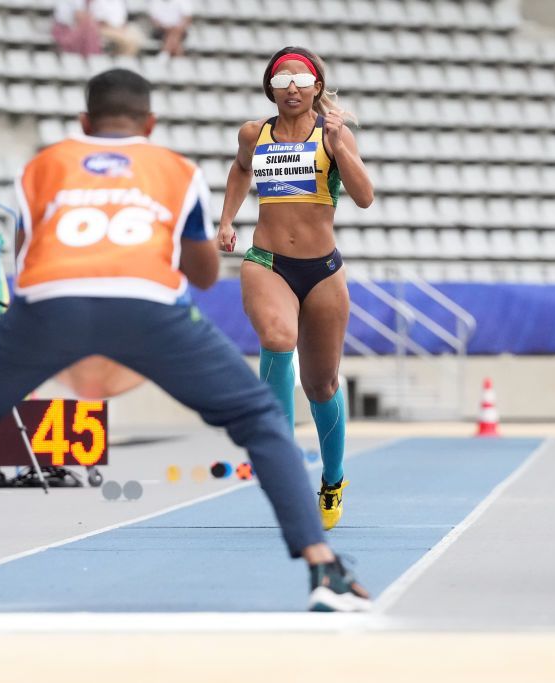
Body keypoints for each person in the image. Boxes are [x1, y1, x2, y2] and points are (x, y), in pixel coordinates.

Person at [0, 69, 371, 614]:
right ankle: (321, 566)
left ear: (83, 121)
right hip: (147, 307)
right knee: (260, 419)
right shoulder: (175, 170)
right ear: (151, 123)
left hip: (50, 306)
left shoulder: (40, 167)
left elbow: (23, 262)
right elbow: (204, 274)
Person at [216, 47, 374, 531]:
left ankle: (332, 480)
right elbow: (242, 168)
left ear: (316, 88)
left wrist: (339, 146)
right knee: (279, 339)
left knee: (322, 384)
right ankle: (282, 463)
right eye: (281, 79)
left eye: (299, 79)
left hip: (323, 270)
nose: (290, 87)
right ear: (270, 88)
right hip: (267, 261)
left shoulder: (335, 135)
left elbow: (365, 198)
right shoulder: (253, 133)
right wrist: (226, 219)